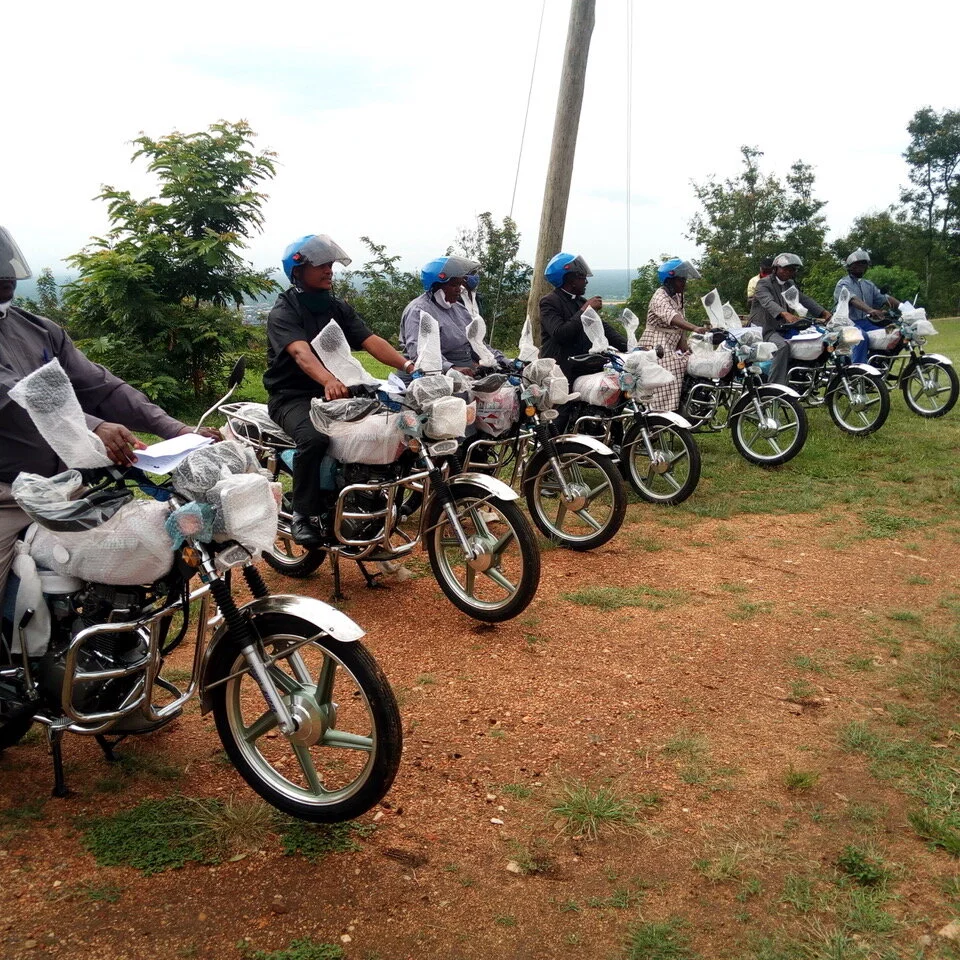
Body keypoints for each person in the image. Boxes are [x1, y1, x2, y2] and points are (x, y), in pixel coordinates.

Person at [0, 225, 217, 603]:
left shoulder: (39, 330)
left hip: (64, 489)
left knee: (129, 558)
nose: (6, 279)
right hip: (6, 497)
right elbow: (17, 398)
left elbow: (103, 387)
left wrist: (177, 429)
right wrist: (95, 426)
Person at [263, 234, 415, 547]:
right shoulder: (284, 311)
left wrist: (409, 366)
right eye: (320, 264)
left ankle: (370, 498)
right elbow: (300, 354)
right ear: (298, 271)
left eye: (330, 264)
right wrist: (327, 380)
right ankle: (303, 514)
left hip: (339, 394)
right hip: (292, 397)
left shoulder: (336, 306)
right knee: (314, 438)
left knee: (395, 425)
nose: (329, 270)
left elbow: (371, 341)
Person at [400, 256, 504, 375]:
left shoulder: (459, 309)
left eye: (460, 285)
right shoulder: (419, 311)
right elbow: (419, 350)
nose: (458, 290)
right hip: (431, 375)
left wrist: (501, 360)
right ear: (436, 286)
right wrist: (450, 368)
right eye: (454, 285)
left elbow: (477, 342)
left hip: (466, 372)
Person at [539, 252, 627, 383]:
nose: (586, 281)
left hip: (583, 367)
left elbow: (603, 328)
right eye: (581, 277)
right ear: (569, 279)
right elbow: (560, 333)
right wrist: (585, 310)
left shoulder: (580, 301)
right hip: (560, 370)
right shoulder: (549, 301)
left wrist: (629, 347)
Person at [748, 253, 831, 385]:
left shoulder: (790, 284)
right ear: (775, 268)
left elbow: (803, 299)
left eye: (792, 269)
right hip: (764, 328)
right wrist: (785, 314)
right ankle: (775, 386)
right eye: (785, 268)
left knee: (820, 339)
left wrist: (823, 312)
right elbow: (768, 302)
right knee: (783, 347)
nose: (788, 272)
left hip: (784, 327)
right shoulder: (763, 283)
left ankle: (803, 377)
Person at [639, 259, 709, 411]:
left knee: (693, 361)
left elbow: (680, 323)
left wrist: (685, 347)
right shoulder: (660, 297)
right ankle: (661, 410)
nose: (684, 283)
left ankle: (687, 404)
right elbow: (674, 318)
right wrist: (694, 328)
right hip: (656, 343)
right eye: (680, 279)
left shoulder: (677, 296)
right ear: (669, 280)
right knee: (671, 371)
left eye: (684, 279)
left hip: (671, 341)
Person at [834, 248, 901, 364]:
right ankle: (858, 371)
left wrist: (905, 308)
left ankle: (880, 365)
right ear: (850, 266)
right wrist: (870, 310)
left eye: (864, 264)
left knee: (894, 332)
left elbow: (884, 298)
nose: (861, 267)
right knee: (861, 337)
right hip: (845, 323)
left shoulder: (868, 285)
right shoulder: (843, 284)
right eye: (858, 264)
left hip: (865, 323)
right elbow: (853, 299)